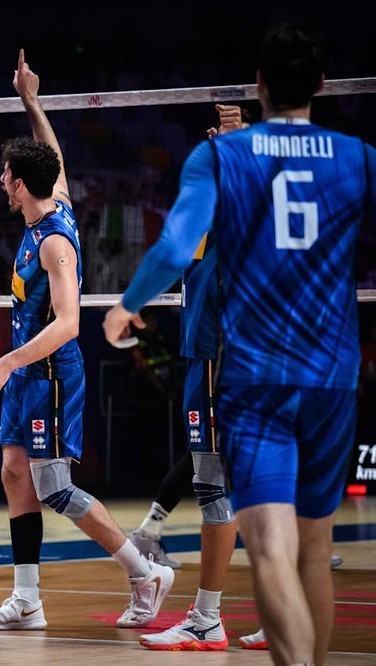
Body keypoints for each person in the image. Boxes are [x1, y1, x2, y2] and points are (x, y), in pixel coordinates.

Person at [102, 24, 376, 665]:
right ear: (321, 85)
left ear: (258, 85)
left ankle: (225, 627)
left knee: (269, 544)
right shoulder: (358, 156)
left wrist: (126, 306)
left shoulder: (222, 160)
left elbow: (174, 246)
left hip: (255, 371)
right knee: (314, 549)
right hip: (333, 375)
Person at [0, 49, 175, 632]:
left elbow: (67, 324)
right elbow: (52, 156)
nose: (1, 182)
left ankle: (145, 572)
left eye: (5, 175)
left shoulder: (55, 242)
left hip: (52, 373)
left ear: (19, 183)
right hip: (27, 372)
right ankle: (26, 600)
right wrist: (30, 100)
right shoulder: (49, 202)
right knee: (13, 472)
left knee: (54, 488)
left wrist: (4, 363)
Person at [130, 103, 245, 651]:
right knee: (214, 480)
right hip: (203, 353)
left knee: (216, 486)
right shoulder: (204, 212)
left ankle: (207, 617)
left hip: (221, 351)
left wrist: (234, 148)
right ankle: (281, 610)